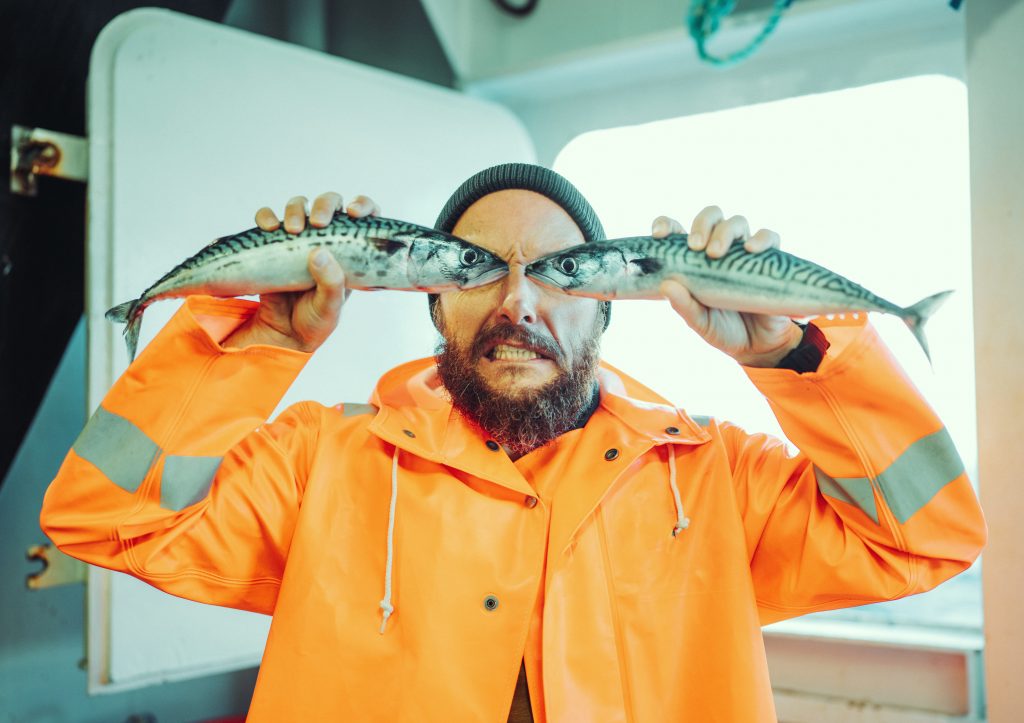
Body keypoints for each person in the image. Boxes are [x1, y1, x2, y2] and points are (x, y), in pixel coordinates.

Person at [40, 163, 986, 722]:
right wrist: (258, 341)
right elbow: (104, 515)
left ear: (610, 306)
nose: (519, 302)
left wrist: (798, 354)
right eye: (481, 272)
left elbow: (926, 537)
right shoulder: (317, 464)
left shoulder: (716, 479)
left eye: (557, 275)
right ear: (432, 305)